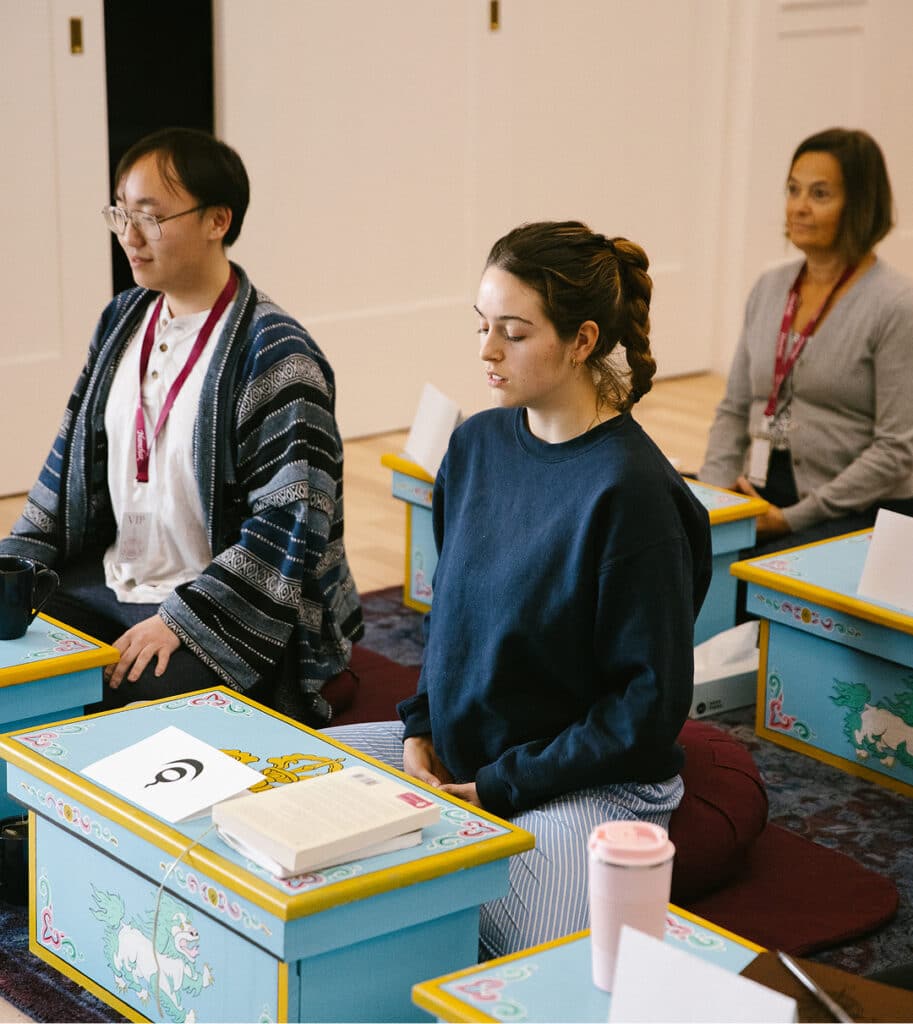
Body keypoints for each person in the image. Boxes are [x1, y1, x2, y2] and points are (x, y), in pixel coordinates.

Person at [324, 221, 711, 959]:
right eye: (481, 327)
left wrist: (500, 788)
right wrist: (418, 730)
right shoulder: (475, 446)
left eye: (513, 332)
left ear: (582, 340)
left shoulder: (631, 494)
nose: (486, 351)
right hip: (465, 758)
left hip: (584, 783)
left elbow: (644, 711)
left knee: (536, 963)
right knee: (281, 809)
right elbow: (452, 626)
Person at [0, 127, 363, 717]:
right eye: (121, 213)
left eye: (151, 216)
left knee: (122, 695)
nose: (130, 236)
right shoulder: (121, 319)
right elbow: (67, 462)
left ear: (217, 220)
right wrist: (14, 563)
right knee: (20, 647)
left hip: (232, 607)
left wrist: (184, 621)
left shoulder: (276, 356)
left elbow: (290, 523)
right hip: (117, 582)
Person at [700, 128, 913, 556]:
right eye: (793, 190)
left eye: (819, 194)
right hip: (763, 492)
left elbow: (896, 450)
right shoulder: (770, 286)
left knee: (753, 574)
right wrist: (711, 500)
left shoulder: (896, 304)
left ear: (859, 205)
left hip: (852, 507)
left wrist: (789, 519)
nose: (798, 206)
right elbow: (734, 407)